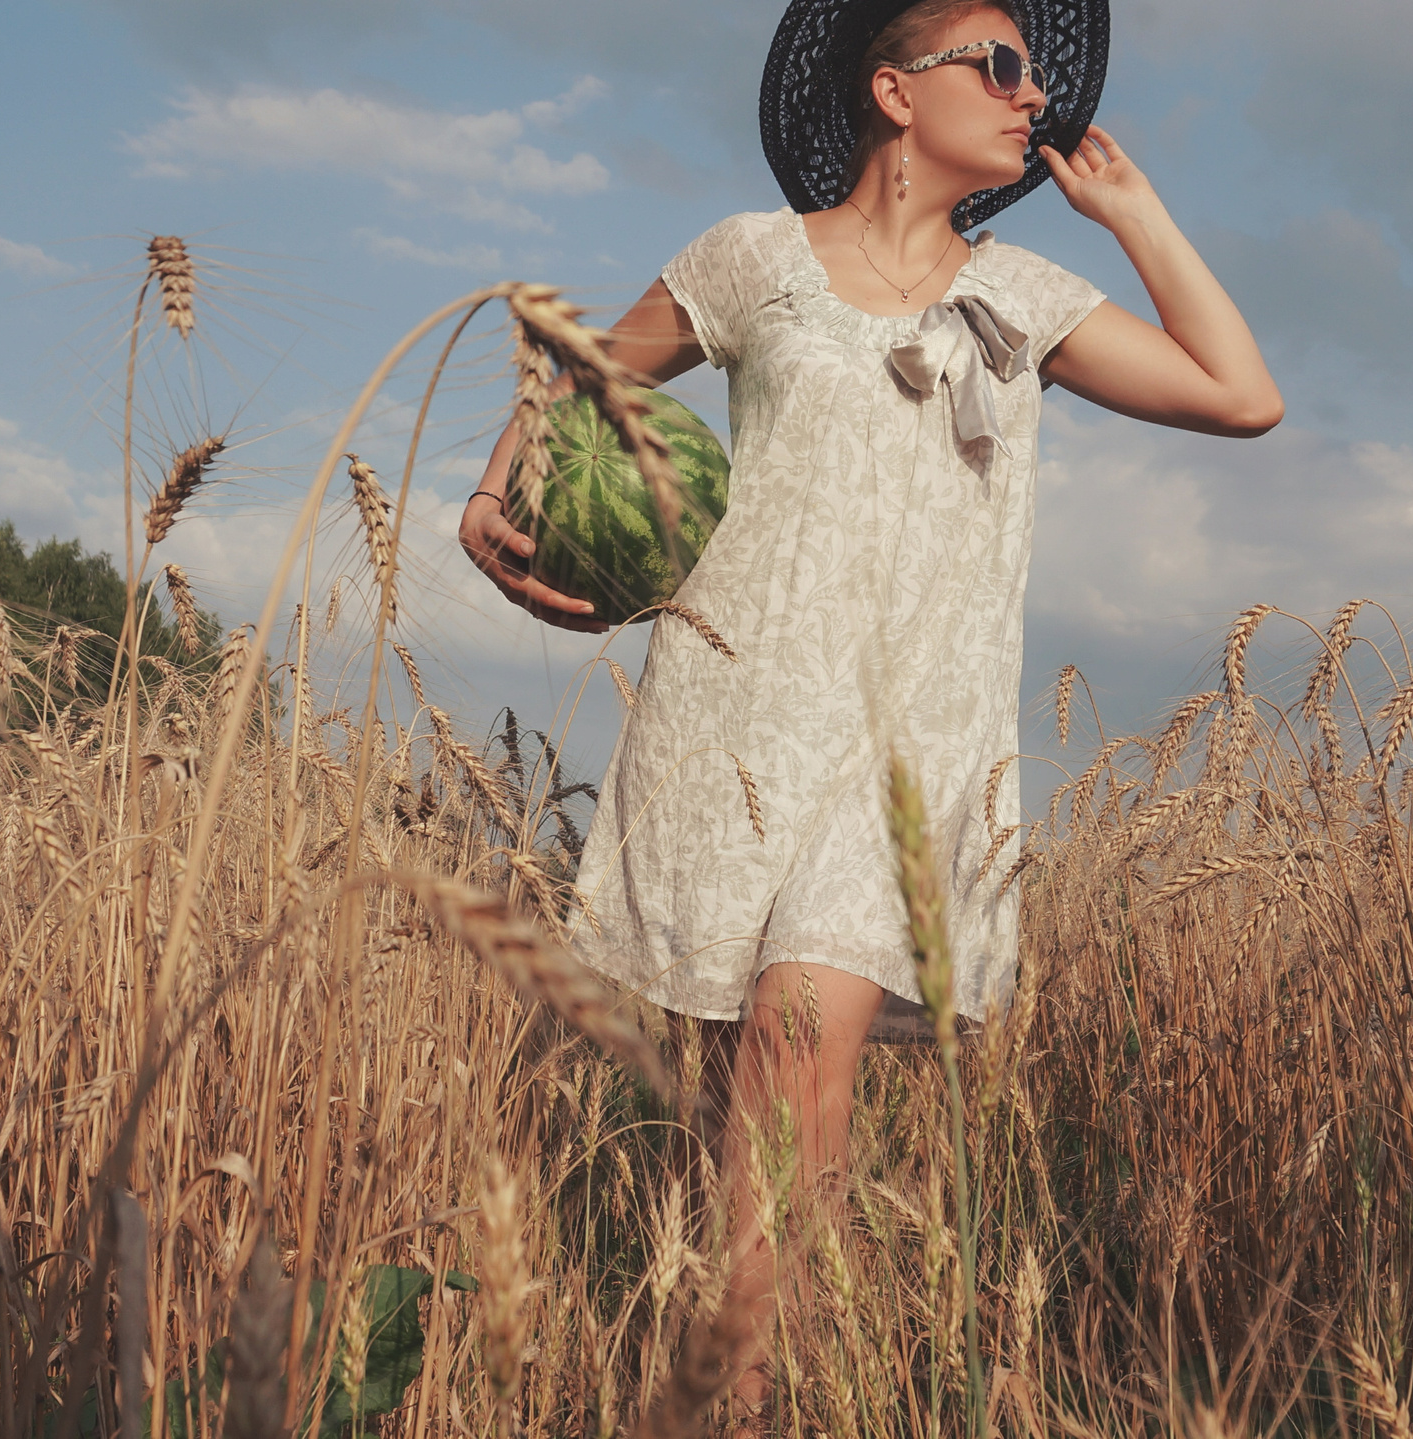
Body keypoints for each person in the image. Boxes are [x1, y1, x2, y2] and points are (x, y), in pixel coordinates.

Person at [458, 0, 1278, 1421]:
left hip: (912, 746)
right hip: (738, 714)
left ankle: (747, 1402)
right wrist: (493, 492)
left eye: (1037, 76)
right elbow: (582, 372)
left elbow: (1242, 396)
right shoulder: (749, 261)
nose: (1034, 100)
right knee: (744, 1115)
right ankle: (756, 1375)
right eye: (1004, 66)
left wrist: (1135, 214)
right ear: (896, 90)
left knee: (790, 1052)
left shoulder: (1022, 294)